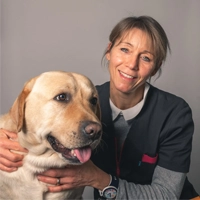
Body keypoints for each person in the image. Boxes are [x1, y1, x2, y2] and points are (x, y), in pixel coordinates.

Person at [0, 15, 199, 200]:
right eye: (124, 50)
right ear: (109, 50)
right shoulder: (88, 100)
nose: (131, 64)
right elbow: (36, 124)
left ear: (155, 67)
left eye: (145, 57)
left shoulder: (175, 114)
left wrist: (98, 179)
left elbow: (166, 195)